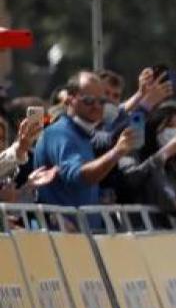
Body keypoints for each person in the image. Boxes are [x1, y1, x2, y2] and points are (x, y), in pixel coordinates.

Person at [33, 71, 140, 207]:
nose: (96, 106)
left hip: (85, 226)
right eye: (88, 100)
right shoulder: (60, 132)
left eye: (101, 101)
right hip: (64, 226)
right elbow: (79, 176)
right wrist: (117, 152)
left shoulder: (85, 133)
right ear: (69, 99)